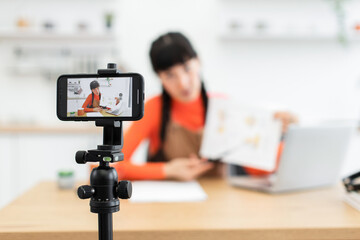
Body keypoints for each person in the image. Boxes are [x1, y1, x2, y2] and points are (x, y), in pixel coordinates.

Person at [112, 32, 297, 181]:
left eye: (186, 68)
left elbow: (258, 170)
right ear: (159, 77)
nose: (183, 83)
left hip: (218, 213)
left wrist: (279, 136)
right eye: (170, 75)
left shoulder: (224, 108)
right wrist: (167, 170)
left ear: (198, 62)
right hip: (166, 211)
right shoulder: (152, 109)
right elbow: (108, 166)